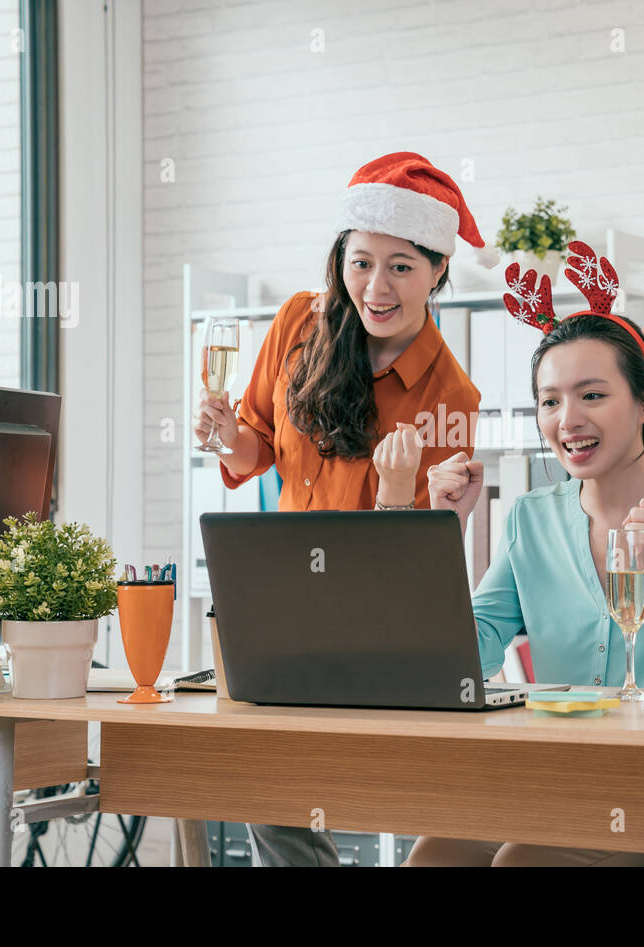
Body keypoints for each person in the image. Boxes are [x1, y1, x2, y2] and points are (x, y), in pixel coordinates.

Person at [404, 243, 644, 866]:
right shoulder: (529, 519)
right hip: (565, 779)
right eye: (550, 400)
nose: (567, 419)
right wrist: (441, 536)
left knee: (523, 862)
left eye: (592, 395)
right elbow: (460, 668)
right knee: (434, 855)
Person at [193, 151, 492, 865]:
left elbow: (418, 558)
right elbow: (259, 446)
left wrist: (395, 495)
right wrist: (229, 436)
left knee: (315, 781)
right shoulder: (301, 323)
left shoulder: (451, 396)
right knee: (261, 784)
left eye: (401, 267)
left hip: (373, 625)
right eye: (361, 262)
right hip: (281, 602)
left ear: (438, 272)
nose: (376, 286)